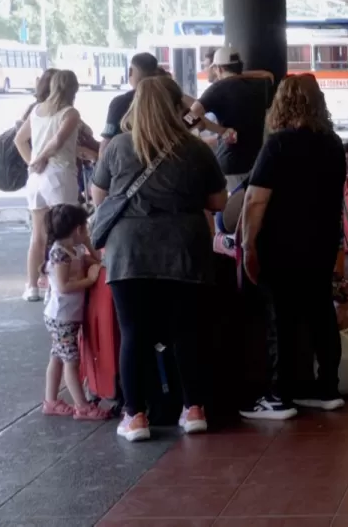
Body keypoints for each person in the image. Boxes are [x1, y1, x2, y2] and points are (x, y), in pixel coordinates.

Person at [91, 78, 227, 442]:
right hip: (183, 248)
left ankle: (135, 416)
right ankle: (194, 408)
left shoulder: (118, 147)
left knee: (134, 333)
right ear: (175, 106)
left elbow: (98, 195)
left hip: (128, 252)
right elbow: (218, 203)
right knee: (186, 331)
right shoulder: (195, 149)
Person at [239, 74, 346, 420]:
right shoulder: (332, 143)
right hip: (323, 241)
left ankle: (278, 395)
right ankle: (328, 387)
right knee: (321, 312)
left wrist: (248, 244)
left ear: (282, 103)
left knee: (280, 318)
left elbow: (256, 200)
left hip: (282, 244)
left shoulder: (278, 144)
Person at [15, 69, 98, 302]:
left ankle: (31, 286)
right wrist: (41, 158)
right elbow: (58, 141)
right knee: (71, 229)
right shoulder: (70, 113)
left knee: (38, 234)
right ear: (73, 89)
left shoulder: (37, 110)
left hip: (35, 180)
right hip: (59, 176)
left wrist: (32, 161)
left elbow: (19, 140)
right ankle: (67, 277)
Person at [40, 204, 109, 421]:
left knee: (58, 357)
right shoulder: (60, 253)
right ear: (77, 229)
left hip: (66, 316)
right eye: (85, 228)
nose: (88, 231)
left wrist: (88, 244)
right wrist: (89, 280)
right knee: (71, 361)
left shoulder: (75, 249)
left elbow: (96, 260)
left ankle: (51, 401)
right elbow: (62, 286)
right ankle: (82, 406)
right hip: (61, 317)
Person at [187, 47, 270, 190]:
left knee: (230, 210)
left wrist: (221, 130)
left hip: (230, 164)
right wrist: (238, 74)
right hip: (257, 163)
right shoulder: (261, 85)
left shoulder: (217, 88)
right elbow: (267, 74)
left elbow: (188, 118)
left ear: (218, 68)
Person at [101, 53, 189, 155]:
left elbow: (107, 140)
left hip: (129, 161)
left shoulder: (119, 103)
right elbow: (195, 121)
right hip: (170, 157)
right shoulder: (169, 96)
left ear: (130, 72)